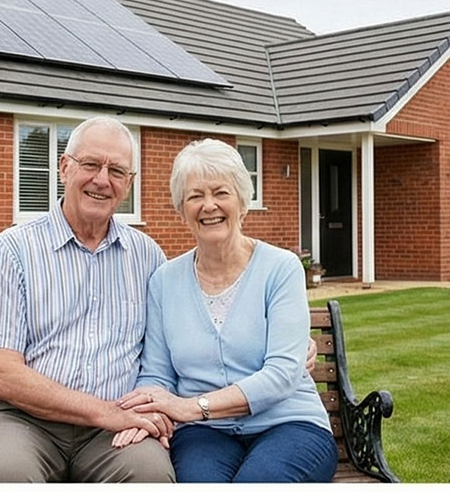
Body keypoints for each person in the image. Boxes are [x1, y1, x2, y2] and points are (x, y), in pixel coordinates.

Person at [0, 116, 175, 481]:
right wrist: (102, 411)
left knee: (149, 475)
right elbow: (1, 375)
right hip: (22, 420)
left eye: (117, 171)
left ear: (129, 184)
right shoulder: (13, 249)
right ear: (64, 167)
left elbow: (173, 345)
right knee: (8, 474)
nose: (102, 180)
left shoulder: (148, 256)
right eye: (91, 164)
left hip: (112, 430)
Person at [117, 139, 337, 481]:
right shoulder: (163, 281)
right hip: (204, 434)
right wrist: (146, 413)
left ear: (242, 202)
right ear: (181, 208)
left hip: (289, 423)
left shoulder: (281, 268)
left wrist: (192, 407)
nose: (209, 206)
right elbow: (157, 374)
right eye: (195, 196)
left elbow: (282, 374)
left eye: (221, 192)